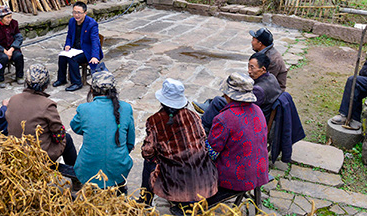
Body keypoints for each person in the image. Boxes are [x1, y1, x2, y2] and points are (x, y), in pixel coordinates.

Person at [140, 79, 218, 213]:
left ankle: (145, 201)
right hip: (204, 179)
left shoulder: (154, 121)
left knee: (149, 162)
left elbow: (148, 151)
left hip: (177, 184)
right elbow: (202, 138)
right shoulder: (193, 116)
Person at [207, 72, 269, 199]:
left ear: (227, 95)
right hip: (260, 172)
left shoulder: (224, 118)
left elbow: (212, 153)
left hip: (237, 178)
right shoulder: (258, 110)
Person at [70, 70, 135, 192]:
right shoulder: (126, 108)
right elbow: (130, 142)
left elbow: (75, 127)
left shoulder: (84, 109)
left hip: (88, 170)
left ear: (92, 90)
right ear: (114, 90)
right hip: (118, 169)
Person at [6, 64, 77, 166]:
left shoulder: (13, 99)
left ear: (26, 82)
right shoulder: (47, 105)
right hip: (38, 155)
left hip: (16, 150)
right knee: (67, 139)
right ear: (46, 85)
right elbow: (58, 134)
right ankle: (75, 177)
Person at [201, 52, 282, 131]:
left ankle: (203, 126)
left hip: (253, 118)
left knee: (217, 101)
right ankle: (208, 106)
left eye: (252, 67)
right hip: (261, 111)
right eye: (248, 67)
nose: (249, 71)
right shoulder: (271, 77)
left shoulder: (259, 90)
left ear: (263, 69)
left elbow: (245, 106)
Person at [54, 1, 103, 92]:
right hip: (74, 49)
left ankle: (77, 82)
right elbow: (69, 36)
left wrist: (95, 56)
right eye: (74, 12)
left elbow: (95, 41)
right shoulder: (72, 21)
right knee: (62, 56)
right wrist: (67, 45)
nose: (76, 15)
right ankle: (61, 79)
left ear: (85, 13)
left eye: (79, 13)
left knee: (73, 59)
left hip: (86, 50)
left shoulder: (92, 24)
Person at [0, 5, 24, 87]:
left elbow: (19, 37)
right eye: (7, 17)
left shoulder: (14, 23)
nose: (10, 19)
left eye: (10, 17)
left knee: (19, 56)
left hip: (11, 48)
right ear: (0, 18)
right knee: (3, 57)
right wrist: (4, 51)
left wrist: (12, 49)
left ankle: (19, 76)